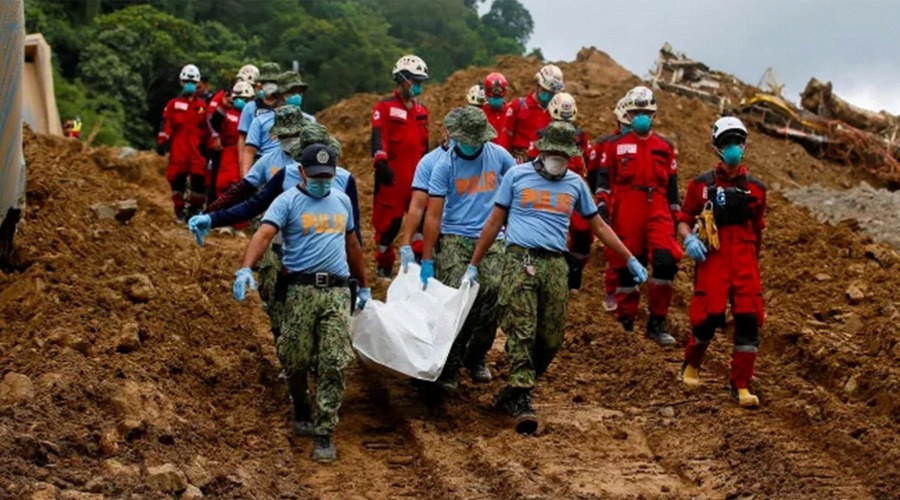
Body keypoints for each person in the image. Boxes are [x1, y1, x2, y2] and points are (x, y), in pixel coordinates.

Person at [467, 121, 648, 433]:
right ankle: (522, 396)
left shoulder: (575, 184)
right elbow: (495, 222)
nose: (559, 161)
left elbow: (599, 226)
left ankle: (514, 391)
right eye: (555, 154)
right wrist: (474, 263)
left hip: (554, 266)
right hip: (520, 260)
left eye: (565, 156)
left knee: (551, 338)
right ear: (542, 150)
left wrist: (629, 258)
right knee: (522, 330)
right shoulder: (516, 176)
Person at [232, 143, 369, 463]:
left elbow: (352, 243)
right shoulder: (287, 201)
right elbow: (264, 235)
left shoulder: (342, 201)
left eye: (329, 176)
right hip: (300, 291)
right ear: (302, 173)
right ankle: (301, 403)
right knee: (294, 358)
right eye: (317, 176)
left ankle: (324, 432)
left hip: (336, 291)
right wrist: (245, 268)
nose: (323, 182)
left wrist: (363, 286)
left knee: (335, 360)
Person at [420, 107, 516, 387]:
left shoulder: (498, 156)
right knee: (456, 298)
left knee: (495, 293)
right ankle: (449, 362)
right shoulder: (444, 165)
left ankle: (476, 355)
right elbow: (434, 215)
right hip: (455, 237)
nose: (473, 144)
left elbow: (518, 183)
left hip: (493, 238)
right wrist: (427, 258)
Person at [677, 117, 767, 408]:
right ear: (716, 147)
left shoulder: (756, 188)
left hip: (744, 258)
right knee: (708, 316)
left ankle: (740, 383)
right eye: (727, 143)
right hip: (713, 256)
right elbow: (683, 219)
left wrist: (754, 262)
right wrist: (689, 239)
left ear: (745, 145)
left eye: (737, 142)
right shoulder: (701, 185)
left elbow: (758, 227)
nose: (733, 148)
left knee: (749, 320)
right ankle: (692, 363)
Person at [599, 86, 681, 345]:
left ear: (654, 115)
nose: (641, 117)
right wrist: (602, 207)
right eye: (636, 112)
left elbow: (673, 188)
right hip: (627, 205)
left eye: (646, 112)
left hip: (657, 207)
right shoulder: (614, 146)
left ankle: (657, 321)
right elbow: (603, 182)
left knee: (665, 261)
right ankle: (625, 318)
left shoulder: (665, 147)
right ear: (628, 114)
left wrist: (678, 221)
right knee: (626, 264)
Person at [370, 55, 430, 279]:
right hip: (393, 177)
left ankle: (414, 267)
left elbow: (425, 144)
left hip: (418, 177)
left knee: (420, 224)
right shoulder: (384, 107)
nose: (419, 86)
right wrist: (381, 162)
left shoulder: (421, 111)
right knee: (389, 224)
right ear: (403, 79)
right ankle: (384, 265)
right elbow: (378, 137)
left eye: (421, 82)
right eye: (416, 81)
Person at [527, 92, 592, 290]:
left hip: (573, 187)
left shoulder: (580, 136)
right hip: (549, 188)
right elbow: (532, 160)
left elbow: (586, 161)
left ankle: (573, 279)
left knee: (582, 233)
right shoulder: (542, 134)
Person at [397, 109, 459, 269]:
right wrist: (406, 243)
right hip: (441, 231)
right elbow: (417, 205)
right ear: (445, 131)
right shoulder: (429, 162)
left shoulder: (483, 157)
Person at [588, 96, 632, 312]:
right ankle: (611, 291)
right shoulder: (606, 144)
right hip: (611, 200)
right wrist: (600, 200)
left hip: (631, 202)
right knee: (613, 248)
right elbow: (594, 173)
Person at [157, 64, 208, 222]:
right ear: (181, 82)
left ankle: (195, 210)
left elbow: (207, 127)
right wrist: (162, 140)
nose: (190, 85)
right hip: (179, 147)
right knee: (177, 180)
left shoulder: (202, 106)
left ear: (198, 83)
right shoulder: (173, 104)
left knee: (199, 180)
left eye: (192, 82)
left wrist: (209, 149)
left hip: (197, 148)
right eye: (187, 81)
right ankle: (178, 210)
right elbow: (166, 123)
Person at [243, 72, 312, 172]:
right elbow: (249, 152)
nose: (296, 96)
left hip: (298, 173)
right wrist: (246, 179)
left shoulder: (309, 122)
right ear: (280, 96)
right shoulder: (261, 121)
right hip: (268, 171)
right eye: (291, 93)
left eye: (299, 93)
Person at [208, 81, 255, 225]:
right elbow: (214, 123)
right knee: (225, 185)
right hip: (228, 152)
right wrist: (222, 105)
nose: (241, 101)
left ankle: (240, 225)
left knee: (244, 186)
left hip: (247, 152)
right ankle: (224, 222)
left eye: (245, 99)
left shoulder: (253, 116)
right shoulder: (227, 114)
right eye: (238, 97)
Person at [501, 64, 564, 163]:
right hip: (520, 162)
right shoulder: (518, 106)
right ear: (537, 85)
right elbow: (505, 139)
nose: (547, 94)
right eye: (545, 90)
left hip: (546, 164)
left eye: (551, 92)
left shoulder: (556, 112)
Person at [238, 63, 282, 175]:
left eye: (274, 82)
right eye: (267, 82)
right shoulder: (250, 107)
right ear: (260, 85)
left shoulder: (285, 107)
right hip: (257, 162)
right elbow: (243, 139)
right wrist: (243, 169)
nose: (270, 86)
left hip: (282, 162)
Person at [482, 72, 509, 146]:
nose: (496, 94)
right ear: (487, 92)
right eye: (492, 91)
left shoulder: (510, 113)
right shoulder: (481, 113)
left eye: (500, 91)